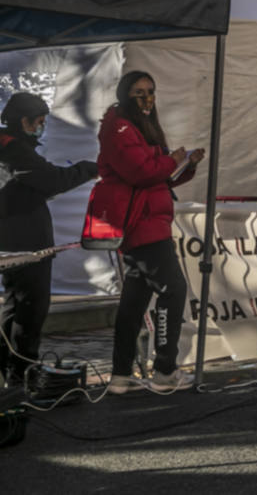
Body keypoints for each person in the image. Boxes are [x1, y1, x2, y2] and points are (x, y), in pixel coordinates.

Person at [87, 71, 203, 394]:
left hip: (149, 220)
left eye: (151, 90)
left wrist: (186, 165)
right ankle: (165, 370)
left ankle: (121, 375)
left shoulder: (136, 126)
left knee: (134, 301)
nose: (147, 96)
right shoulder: (119, 127)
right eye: (139, 91)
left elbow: (156, 178)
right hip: (142, 225)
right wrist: (171, 159)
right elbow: (141, 172)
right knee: (173, 290)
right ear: (125, 94)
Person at [0, 93, 97, 388]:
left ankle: (11, 370)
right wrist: (90, 168)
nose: (41, 128)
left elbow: (32, 186)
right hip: (24, 244)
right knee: (30, 309)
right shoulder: (13, 148)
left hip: (16, 240)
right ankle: (22, 372)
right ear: (23, 121)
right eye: (38, 122)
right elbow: (52, 180)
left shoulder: (12, 146)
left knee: (15, 306)